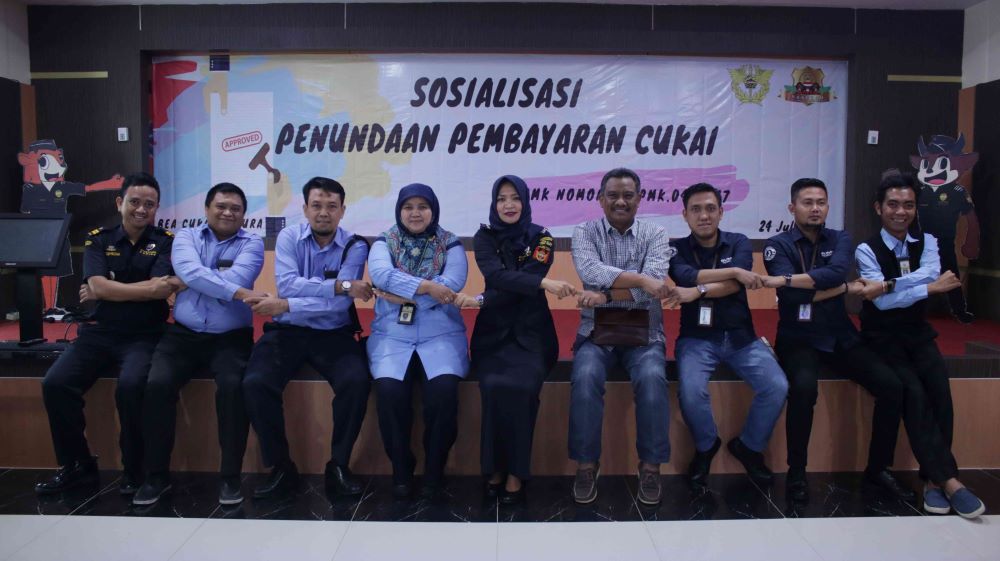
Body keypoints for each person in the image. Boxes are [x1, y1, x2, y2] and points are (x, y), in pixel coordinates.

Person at [761, 178, 913, 504]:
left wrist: (794, 281)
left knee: (892, 386)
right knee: (803, 391)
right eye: (807, 203)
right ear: (792, 208)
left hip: (840, 334)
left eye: (821, 202)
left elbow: (835, 272)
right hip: (798, 338)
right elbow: (791, 298)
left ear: (828, 206)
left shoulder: (840, 238)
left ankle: (878, 469)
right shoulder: (778, 245)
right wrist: (844, 288)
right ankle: (797, 472)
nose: (815, 208)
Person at [35, 173, 176, 495]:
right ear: (119, 203)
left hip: (144, 335)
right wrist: (139, 289)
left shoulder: (165, 240)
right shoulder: (99, 238)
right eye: (135, 202)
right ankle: (77, 465)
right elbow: (100, 286)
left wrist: (109, 289)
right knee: (55, 384)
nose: (141, 209)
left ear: (156, 208)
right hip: (98, 333)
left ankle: (134, 470)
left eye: (149, 204)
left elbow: (159, 290)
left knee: (131, 387)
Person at [855, 171, 985, 519]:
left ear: (915, 208)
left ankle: (931, 481)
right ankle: (951, 482)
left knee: (941, 396)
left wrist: (888, 284)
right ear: (879, 208)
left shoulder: (928, 241)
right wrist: (925, 288)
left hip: (917, 333)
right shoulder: (866, 249)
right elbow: (884, 303)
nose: (901, 212)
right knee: (913, 394)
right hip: (882, 339)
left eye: (908, 205)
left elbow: (925, 274)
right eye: (893, 205)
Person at [133, 183, 265, 506]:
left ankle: (230, 477)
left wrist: (192, 280)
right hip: (183, 334)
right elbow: (197, 274)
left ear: (244, 215)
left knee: (233, 388)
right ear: (206, 209)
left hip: (231, 338)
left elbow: (227, 278)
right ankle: (156, 476)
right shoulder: (186, 237)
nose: (228, 212)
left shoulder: (252, 243)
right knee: (156, 384)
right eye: (221, 206)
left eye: (235, 208)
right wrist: (226, 289)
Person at [242, 177, 373, 499]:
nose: (323, 212)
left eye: (331, 206)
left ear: (342, 210)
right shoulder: (289, 237)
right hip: (287, 331)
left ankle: (338, 465)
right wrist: (338, 286)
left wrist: (288, 304)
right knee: (256, 382)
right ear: (305, 209)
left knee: (356, 382)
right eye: (316, 205)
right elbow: (287, 284)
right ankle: (281, 466)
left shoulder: (355, 246)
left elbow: (338, 305)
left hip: (333, 333)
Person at [453, 175, 576, 504]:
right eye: (501, 199)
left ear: (525, 201)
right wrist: (544, 285)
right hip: (492, 335)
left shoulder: (543, 237)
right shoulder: (484, 236)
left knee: (523, 389)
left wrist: (483, 299)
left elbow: (521, 282)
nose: (508, 205)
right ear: (494, 203)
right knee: (493, 387)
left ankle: (517, 472)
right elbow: (496, 276)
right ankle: (493, 467)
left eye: (515, 198)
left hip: (533, 335)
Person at [666, 183, 788, 493]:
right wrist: (732, 271)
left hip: (741, 337)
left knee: (777, 386)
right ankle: (706, 446)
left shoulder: (739, 242)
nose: (704, 215)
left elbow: (736, 285)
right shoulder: (676, 249)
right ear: (684, 215)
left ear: (721, 212)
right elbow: (685, 276)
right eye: (696, 209)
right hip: (696, 338)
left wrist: (699, 290)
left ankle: (749, 446)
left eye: (710, 208)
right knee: (691, 392)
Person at [569, 167, 672, 506]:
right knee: (584, 377)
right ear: (601, 199)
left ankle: (651, 467)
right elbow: (590, 271)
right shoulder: (584, 231)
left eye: (628, 195)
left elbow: (655, 285)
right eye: (612, 195)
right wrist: (640, 280)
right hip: (596, 331)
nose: (620, 202)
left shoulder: (656, 233)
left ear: (639, 199)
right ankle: (586, 465)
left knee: (653, 379)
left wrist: (605, 294)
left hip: (645, 332)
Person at [367, 183, 468, 500]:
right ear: (399, 211)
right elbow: (381, 275)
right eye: (408, 207)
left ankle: (435, 469)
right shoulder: (384, 241)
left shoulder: (450, 243)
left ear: (433, 210)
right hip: (392, 335)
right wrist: (428, 287)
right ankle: (401, 468)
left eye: (422, 207)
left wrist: (401, 296)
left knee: (444, 392)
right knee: (389, 392)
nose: (415, 213)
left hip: (441, 333)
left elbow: (452, 283)